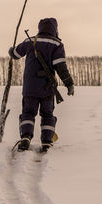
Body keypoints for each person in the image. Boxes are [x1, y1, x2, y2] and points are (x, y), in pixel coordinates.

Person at [8, 17, 74, 152]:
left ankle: (25, 137)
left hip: (30, 87)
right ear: (55, 29)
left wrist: (11, 50)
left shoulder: (30, 41)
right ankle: (46, 141)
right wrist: (69, 84)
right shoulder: (57, 45)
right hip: (47, 88)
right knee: (47, 114)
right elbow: (61, 67)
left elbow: (15, 54)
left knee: (28, 113)